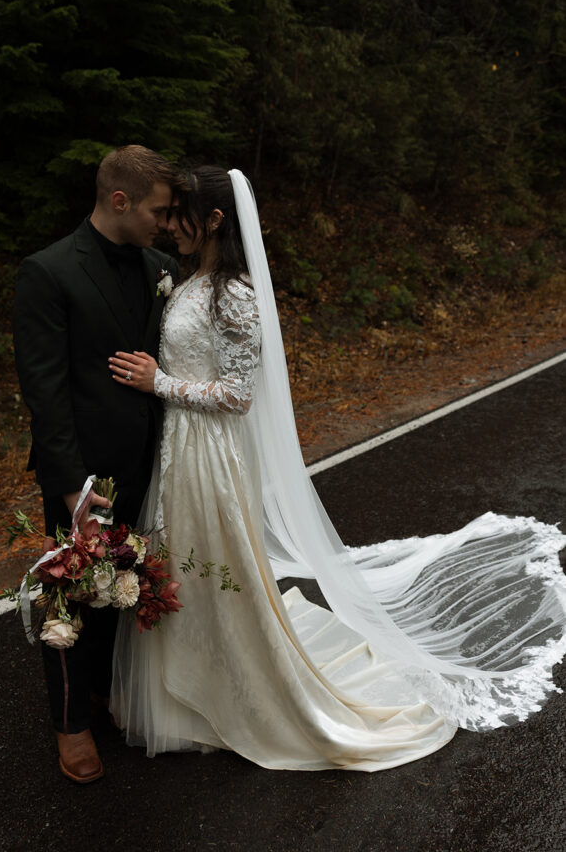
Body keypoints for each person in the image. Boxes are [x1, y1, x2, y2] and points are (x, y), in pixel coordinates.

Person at [107, 165, 566, 770]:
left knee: (211, 562)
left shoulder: (235, 293)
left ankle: (237, 692)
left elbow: (238, 394)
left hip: (210, 452)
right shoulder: (191, 280)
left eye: (179, 215)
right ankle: (182, 691)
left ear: (215, 219)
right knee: (185, 564)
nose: (168, 225)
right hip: (180, 446)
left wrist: (157, 381)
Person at [12, 145, 181, 783]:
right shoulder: (47, 272)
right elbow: (45, 392)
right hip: (86, 474)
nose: (166, 224)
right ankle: (69, 723)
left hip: (152, 461)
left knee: (126, 586)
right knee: (70, 598)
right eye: (158, 212)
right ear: (120, 202)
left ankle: (106, 693)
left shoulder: (159, 267)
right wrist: (71, 489)